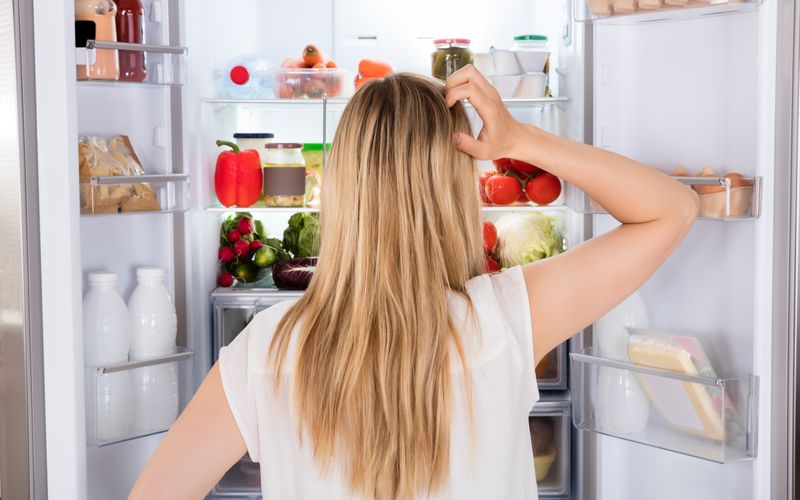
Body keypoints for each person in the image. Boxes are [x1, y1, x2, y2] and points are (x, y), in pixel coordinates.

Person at [129, 67, 698, 500]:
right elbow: (671, 210)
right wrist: (521, 140)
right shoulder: (505, 319)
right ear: (454, 189)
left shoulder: (264, 349)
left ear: (343, 187)